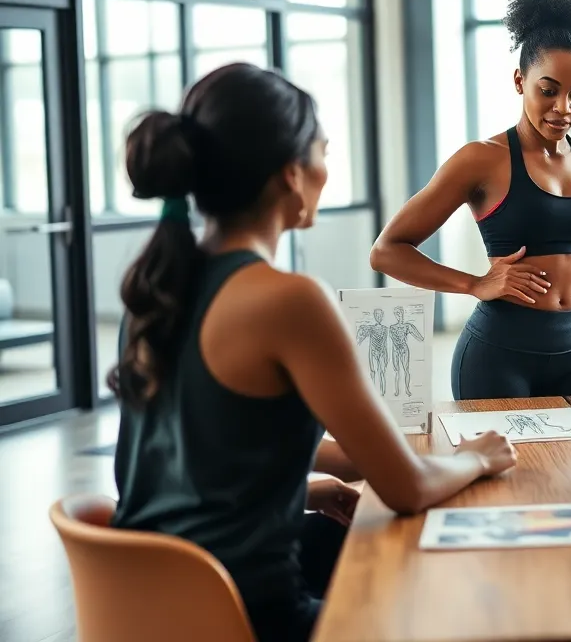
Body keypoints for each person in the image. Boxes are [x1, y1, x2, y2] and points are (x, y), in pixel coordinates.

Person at [107, 63, 518, 642]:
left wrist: (301, 486)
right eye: (323, 149)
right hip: (250, 616)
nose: (328, 166)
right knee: (452, 591)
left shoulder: (154, 291)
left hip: (147, 605)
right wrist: (478, 457)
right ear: (291, 176)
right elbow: (407, 487)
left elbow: (172, 472)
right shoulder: (289, 301)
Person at [371, 0, 571, 399]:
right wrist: (475, 283)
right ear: (519, 81)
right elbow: (387, 251)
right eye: (548, 90)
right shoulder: (482, 159)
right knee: (511, 467)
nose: (564, 109)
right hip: (499, 354)